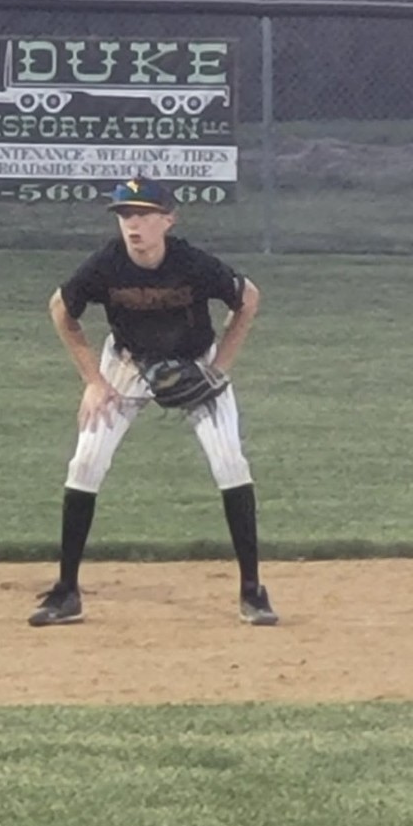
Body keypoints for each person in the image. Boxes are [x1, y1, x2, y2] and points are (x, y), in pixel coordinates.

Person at [29, 175, 279, 628]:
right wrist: (93, 381)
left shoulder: (191, 263)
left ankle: (252, 591)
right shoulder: (106, 264)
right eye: (125, 215)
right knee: (85, 464)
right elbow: (60, 309)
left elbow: (249, 299)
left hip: (192, 360)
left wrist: (219, 367)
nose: (133, 225)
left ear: (168, 220)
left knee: (230, 463)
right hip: (127, 364)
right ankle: (66, 592)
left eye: (143, 215)